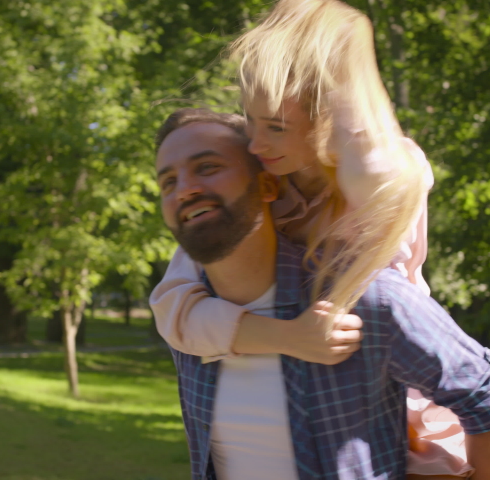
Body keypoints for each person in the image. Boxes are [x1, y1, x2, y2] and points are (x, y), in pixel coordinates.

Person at [149, 1, 466, 476]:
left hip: (394, 407)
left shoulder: (385, 173)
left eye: (275, 126)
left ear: (332, 116)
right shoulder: (260, 190)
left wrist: (346, 42)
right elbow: (174, 311)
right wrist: (291, 337)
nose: (256, 144)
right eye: (249, 120)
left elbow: (478, 389)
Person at [154, 109, 490, 480]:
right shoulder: (189, 320)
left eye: (208, 167)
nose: (184, 188)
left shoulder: (364, 300)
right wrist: (289, 337)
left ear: (268, 186)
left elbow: (485, 394)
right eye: (167, 181)